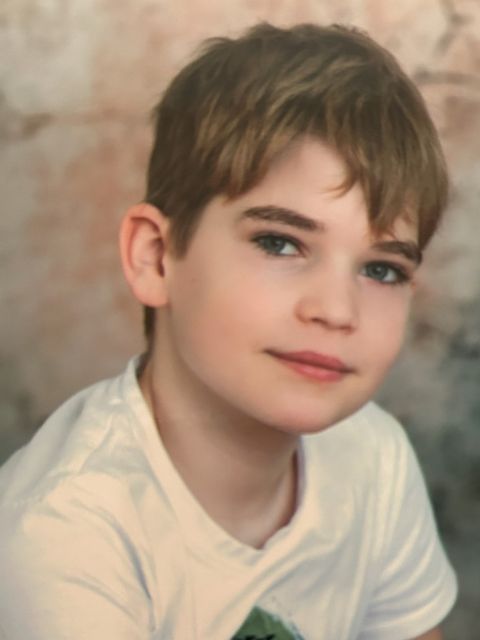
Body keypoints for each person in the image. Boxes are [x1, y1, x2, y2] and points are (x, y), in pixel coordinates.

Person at [0, 22, 457, 640]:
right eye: (280, 243)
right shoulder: (63, 532)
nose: (336, 309)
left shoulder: (372, 455)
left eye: (381, 269)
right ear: (156, 257)